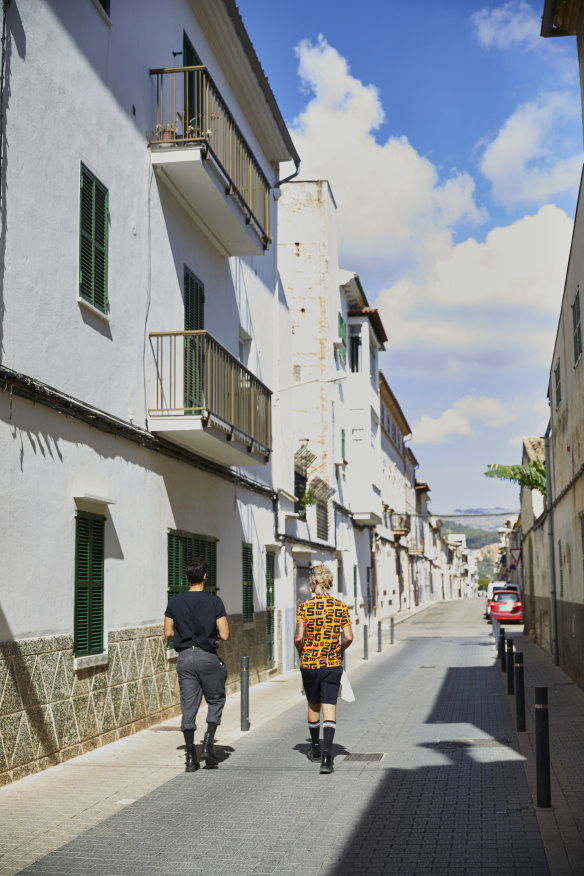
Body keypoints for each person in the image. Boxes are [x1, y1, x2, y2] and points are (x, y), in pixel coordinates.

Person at [164, 558, 229, 772]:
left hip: (184, 658)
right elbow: (225, 634)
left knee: (188, 706)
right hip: (207, 656)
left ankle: (191, 758)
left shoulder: (174, 602)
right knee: (216, 699)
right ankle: (208, 745)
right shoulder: (214, 602)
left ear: (186, 578)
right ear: (204, 576)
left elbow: (168, 633)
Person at [294, 563, 353, 774]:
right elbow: (348, 637)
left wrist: (303, 652)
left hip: (310, 664)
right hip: (332, 664)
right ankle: (328, 758)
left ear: (314, 582)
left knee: (313, 705)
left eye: (310, 580)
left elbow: (298, 637)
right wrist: (337, 649)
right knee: (329, 706)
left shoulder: (304, 607)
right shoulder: (340, 607)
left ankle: (315, 748)